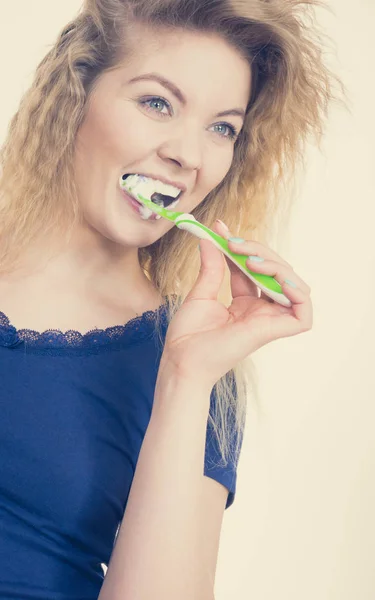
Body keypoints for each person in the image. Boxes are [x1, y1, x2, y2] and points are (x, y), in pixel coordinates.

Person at [0, 0, 342, 598]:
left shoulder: (199, 366)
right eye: (157, 103)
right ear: (73, 98)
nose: (189, 154)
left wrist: (186, 379)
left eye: (222, 128)